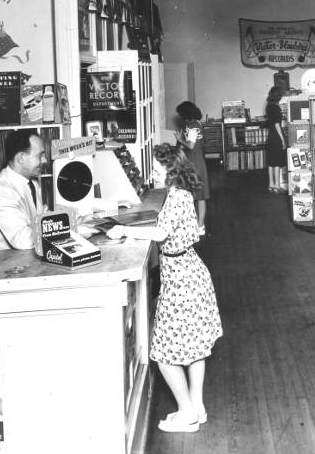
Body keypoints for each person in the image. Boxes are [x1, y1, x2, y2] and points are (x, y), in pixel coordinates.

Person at [128, 143, 222, 433]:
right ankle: (197, 407)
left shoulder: (176, 198)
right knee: (195, 348)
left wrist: (124, 230)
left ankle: (186, 413)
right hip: (191, 275)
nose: (154, 173)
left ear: (172, 170)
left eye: (158, 169)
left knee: (164, 353)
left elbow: (161, 232)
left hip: (182, 280)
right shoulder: (181, 194)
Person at [0, 129, 47, 250]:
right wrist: (70, 231)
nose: (44, 160)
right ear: (21, 158)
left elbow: (44, 219)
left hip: (27, 259)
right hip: (5, 265)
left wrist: (80, 221)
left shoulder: (32, 183)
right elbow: (22, 240)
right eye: (40, 155)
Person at [175, 100, 209, 235]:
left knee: (197, 196)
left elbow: (191, 145)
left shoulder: (193, 127)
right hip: (197, 161)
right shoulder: (196, 124)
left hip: (194, 163)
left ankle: (200, 225)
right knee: (199, 196)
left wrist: (179, 139)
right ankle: (198, 225)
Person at [265, 86, 287, 193]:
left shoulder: (269, 106)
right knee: (277, 162)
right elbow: (277, 124)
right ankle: (278, 186)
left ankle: (271, 185)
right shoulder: (276, 108)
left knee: (271, 162)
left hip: (270, 136)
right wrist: (282, 139)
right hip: (276, 136)